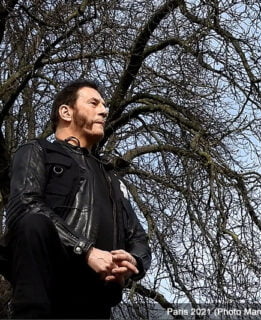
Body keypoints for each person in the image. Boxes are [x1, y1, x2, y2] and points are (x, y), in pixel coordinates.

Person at [3, 79, 151, 318]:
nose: (103, 110)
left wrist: (133, 262)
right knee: (33, 221)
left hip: (97, 304)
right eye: (93, 103)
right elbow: (25, 205)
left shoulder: (111, 177)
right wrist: (85, 250)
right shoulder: (37, 151)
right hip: (46, 296)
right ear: (66, 112)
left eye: (104, 105)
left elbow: (139, 237)